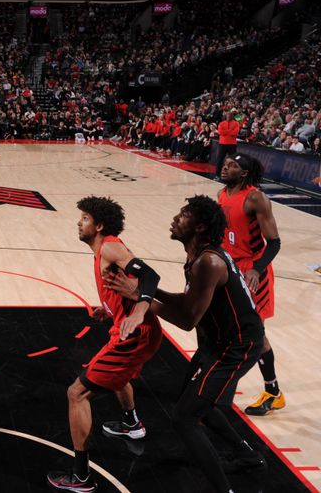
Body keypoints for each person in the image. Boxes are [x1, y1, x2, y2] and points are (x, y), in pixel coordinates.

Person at [106, 196, 265, 493]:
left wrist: (142, 299)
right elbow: (188, 303)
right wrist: (143, 292)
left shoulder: (209, 261)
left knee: (184, 417)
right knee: (192, 403)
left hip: (238, 345)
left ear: (201, 227)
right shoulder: (198, 257)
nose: (177, 217)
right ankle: (247, 455)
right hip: (218, 343)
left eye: (185, 215)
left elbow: (187, 319)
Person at [47, 196, 163, 493]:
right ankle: (131, 424)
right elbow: (127, 286)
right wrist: (111, 309)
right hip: (133, 332)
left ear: (99, 225)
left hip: (134, 334)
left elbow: (150, 275)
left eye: (84, 218)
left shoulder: (110, 246)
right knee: (116, 376)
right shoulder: (104, 250)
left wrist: (138, 310)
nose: (79, 222)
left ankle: (81, 476)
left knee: (77, 393)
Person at [218, 154, 285, 415]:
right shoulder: (222, 194)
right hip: (230, 269)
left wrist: (257, 270)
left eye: (233, 165)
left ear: (244, 173)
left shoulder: (255, 197)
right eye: (225, 163)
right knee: (228, 327)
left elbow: (275, 242)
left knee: (255, 334)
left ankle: (273, 392)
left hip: (253, 271)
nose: (226, 167)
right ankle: (224, 382)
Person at [216, 111, 240, 179]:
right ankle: (217, 175)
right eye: (227, 115)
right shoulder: (221, 123)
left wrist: (225, 131)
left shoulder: (236, 123)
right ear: (226, 116)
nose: (229, 116)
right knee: (219, 160)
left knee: (232, 161)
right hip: (222, 144)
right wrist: (230, 130)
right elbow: (220, 132)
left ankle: (231, 175)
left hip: (232, 144)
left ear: (232, 116)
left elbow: (235, 133)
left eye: (230, 115)